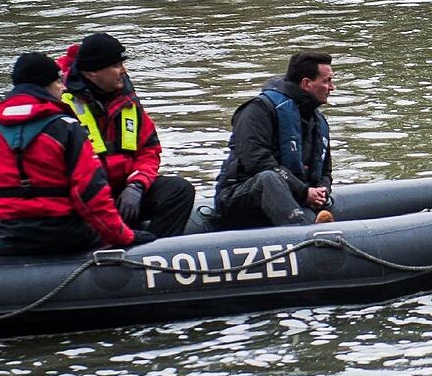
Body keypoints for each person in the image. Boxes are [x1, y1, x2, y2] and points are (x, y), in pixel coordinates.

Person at [0, 53, 155, 258]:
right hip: (67, 235)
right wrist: (124, 237)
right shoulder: (66, 129)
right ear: (45, 86)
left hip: (10, 237)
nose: (63, 87)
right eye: (58, 81)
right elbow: (92, 195)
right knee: (143, 238)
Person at [63, 32, 194, 237]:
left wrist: (137, 184)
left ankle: (154, 252)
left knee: (178, 190)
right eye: (116, 66)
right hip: (86, 199)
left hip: (123, 193)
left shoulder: (127, 101)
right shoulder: (64, 105)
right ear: (93, 73)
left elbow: (149, 150)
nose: (123, 71)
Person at [212, 51, 335, 229]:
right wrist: (303, 191)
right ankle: (305, 235)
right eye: (326, 81)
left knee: (282, 183)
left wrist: (321, 191)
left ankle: (315, 228)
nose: (332, 87)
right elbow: (257, 161)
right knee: (268, 178)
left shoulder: (317, 121)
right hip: (239, 196)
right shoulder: (258, 110)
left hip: (294, 197)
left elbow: (325, 170)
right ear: (306, 83)